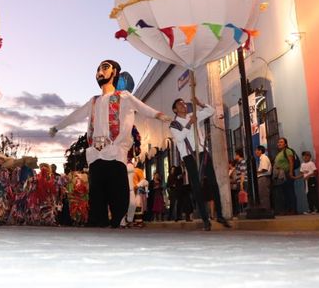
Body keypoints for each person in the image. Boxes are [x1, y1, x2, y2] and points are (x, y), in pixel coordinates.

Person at [50, 60, 171, 228]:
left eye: (105, 67)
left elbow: (142, 107)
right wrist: (57, 127)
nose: (100, 71)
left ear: (115, 72)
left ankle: (117, 220)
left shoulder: (124, 97)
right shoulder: (93, 101)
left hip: (115, 152)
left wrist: (158, 115)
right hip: (96, 153)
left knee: (118, 191)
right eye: (98, 69)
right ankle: (98, 221)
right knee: (97, 193)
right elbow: (76, 115)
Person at [170, 97, 231, 230]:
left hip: (203, 152)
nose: (183, 105)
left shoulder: (193, 115)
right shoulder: (174, 124)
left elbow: (211, 111)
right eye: (179, 104)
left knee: (213, 183)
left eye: (184, 103)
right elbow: (180, 138)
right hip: (189, 156)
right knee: (197, 187)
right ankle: (205, 220)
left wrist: (200, 103)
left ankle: (219, 214)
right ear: (175, 110)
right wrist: (189, 124)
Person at [273, 137, 297, 215]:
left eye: (281, 142)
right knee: (284, 193)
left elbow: (291, 162)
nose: (279, 143)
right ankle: (287, 209)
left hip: (287, 173)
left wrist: (290, 172)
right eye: (278, 142)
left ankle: (293, 210)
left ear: (285, 144)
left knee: (290, 192)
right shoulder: (279, 153)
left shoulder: (288, 151)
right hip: (281, 175)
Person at [255, 145, 272, 210]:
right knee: (262, 194)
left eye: (256, 150)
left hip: (263, 178)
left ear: (260, 151)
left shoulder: (264, 158)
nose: (255, 152)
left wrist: (256, 172)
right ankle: (264, 209)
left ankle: (266, 209)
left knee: (264, 194)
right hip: (262, 178)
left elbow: (264, 169)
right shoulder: (262, 158)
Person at [234, 149, 248, 214]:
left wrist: (241, 183)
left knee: (243, 197)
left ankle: (244, 211)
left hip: (242, 181)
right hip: (239, 181)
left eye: (235, 154)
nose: (235, 156)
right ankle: (242, 211)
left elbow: (243, 173)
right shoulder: (238, 163)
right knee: (240, 197)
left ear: (238, 155)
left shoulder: (242, 162)